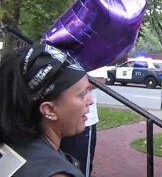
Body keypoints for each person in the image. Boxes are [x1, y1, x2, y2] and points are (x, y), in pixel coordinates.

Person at [0, 43, 93, 177]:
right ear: (49, 109)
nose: (90, 100)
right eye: (82, 94)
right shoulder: (54, 172)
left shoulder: (12, 144)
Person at [60, 67, 106, 177]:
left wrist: (64, 85)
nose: (90, 101)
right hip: (55, 120)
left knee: (78, 167)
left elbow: (100, 79)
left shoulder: (92, 52)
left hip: (83, 120)